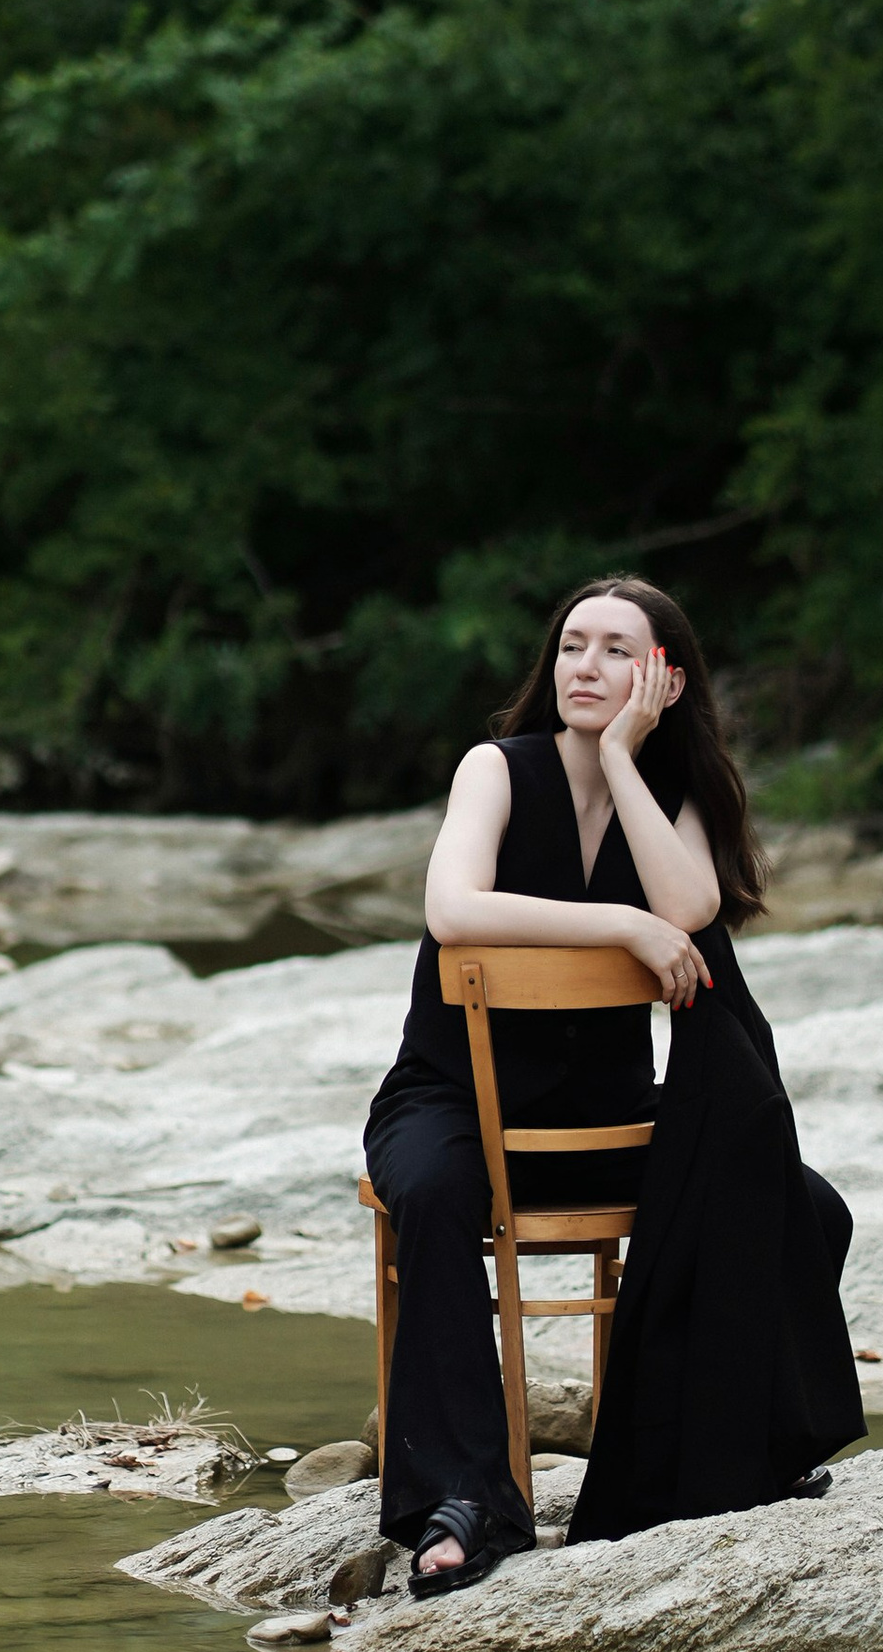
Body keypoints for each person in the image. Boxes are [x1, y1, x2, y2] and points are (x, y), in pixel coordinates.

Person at [362, 574, 857, 1593]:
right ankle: (465, 1500)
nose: (586, 668)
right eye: (573, 645)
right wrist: (622, 928)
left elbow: (689, 902)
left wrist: (626, 762)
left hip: (609, 1119)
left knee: (806, 1207)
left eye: (617, 651)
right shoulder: (495, 771)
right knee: (433, 1192)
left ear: (664, 679)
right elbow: (454, 909)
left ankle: (730, 1450)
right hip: (451, 1103)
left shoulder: (669, 797)